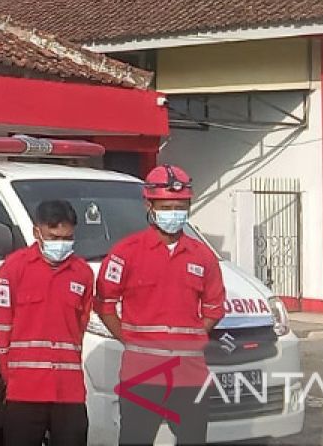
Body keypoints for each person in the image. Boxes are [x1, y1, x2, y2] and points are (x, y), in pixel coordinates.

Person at [94, 165, 223, 446]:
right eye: (166, 206)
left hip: (191, 376)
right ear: (148, 204)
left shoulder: (203, 256)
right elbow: (105, 305)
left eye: (180, 206)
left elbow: (214, 308)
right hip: (142, 375)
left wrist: (187, 337)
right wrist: (132, 338)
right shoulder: (125, 253)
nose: (174, 213)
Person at [0, 199, 94, 446]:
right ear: (37, 232)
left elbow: (79, 325)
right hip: (25, 390)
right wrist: (11, 376)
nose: (61, 244)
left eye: (67, 238)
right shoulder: (14, 269)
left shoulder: (82, 273)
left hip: (69, 391)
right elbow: (1, 327)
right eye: (54, 236)